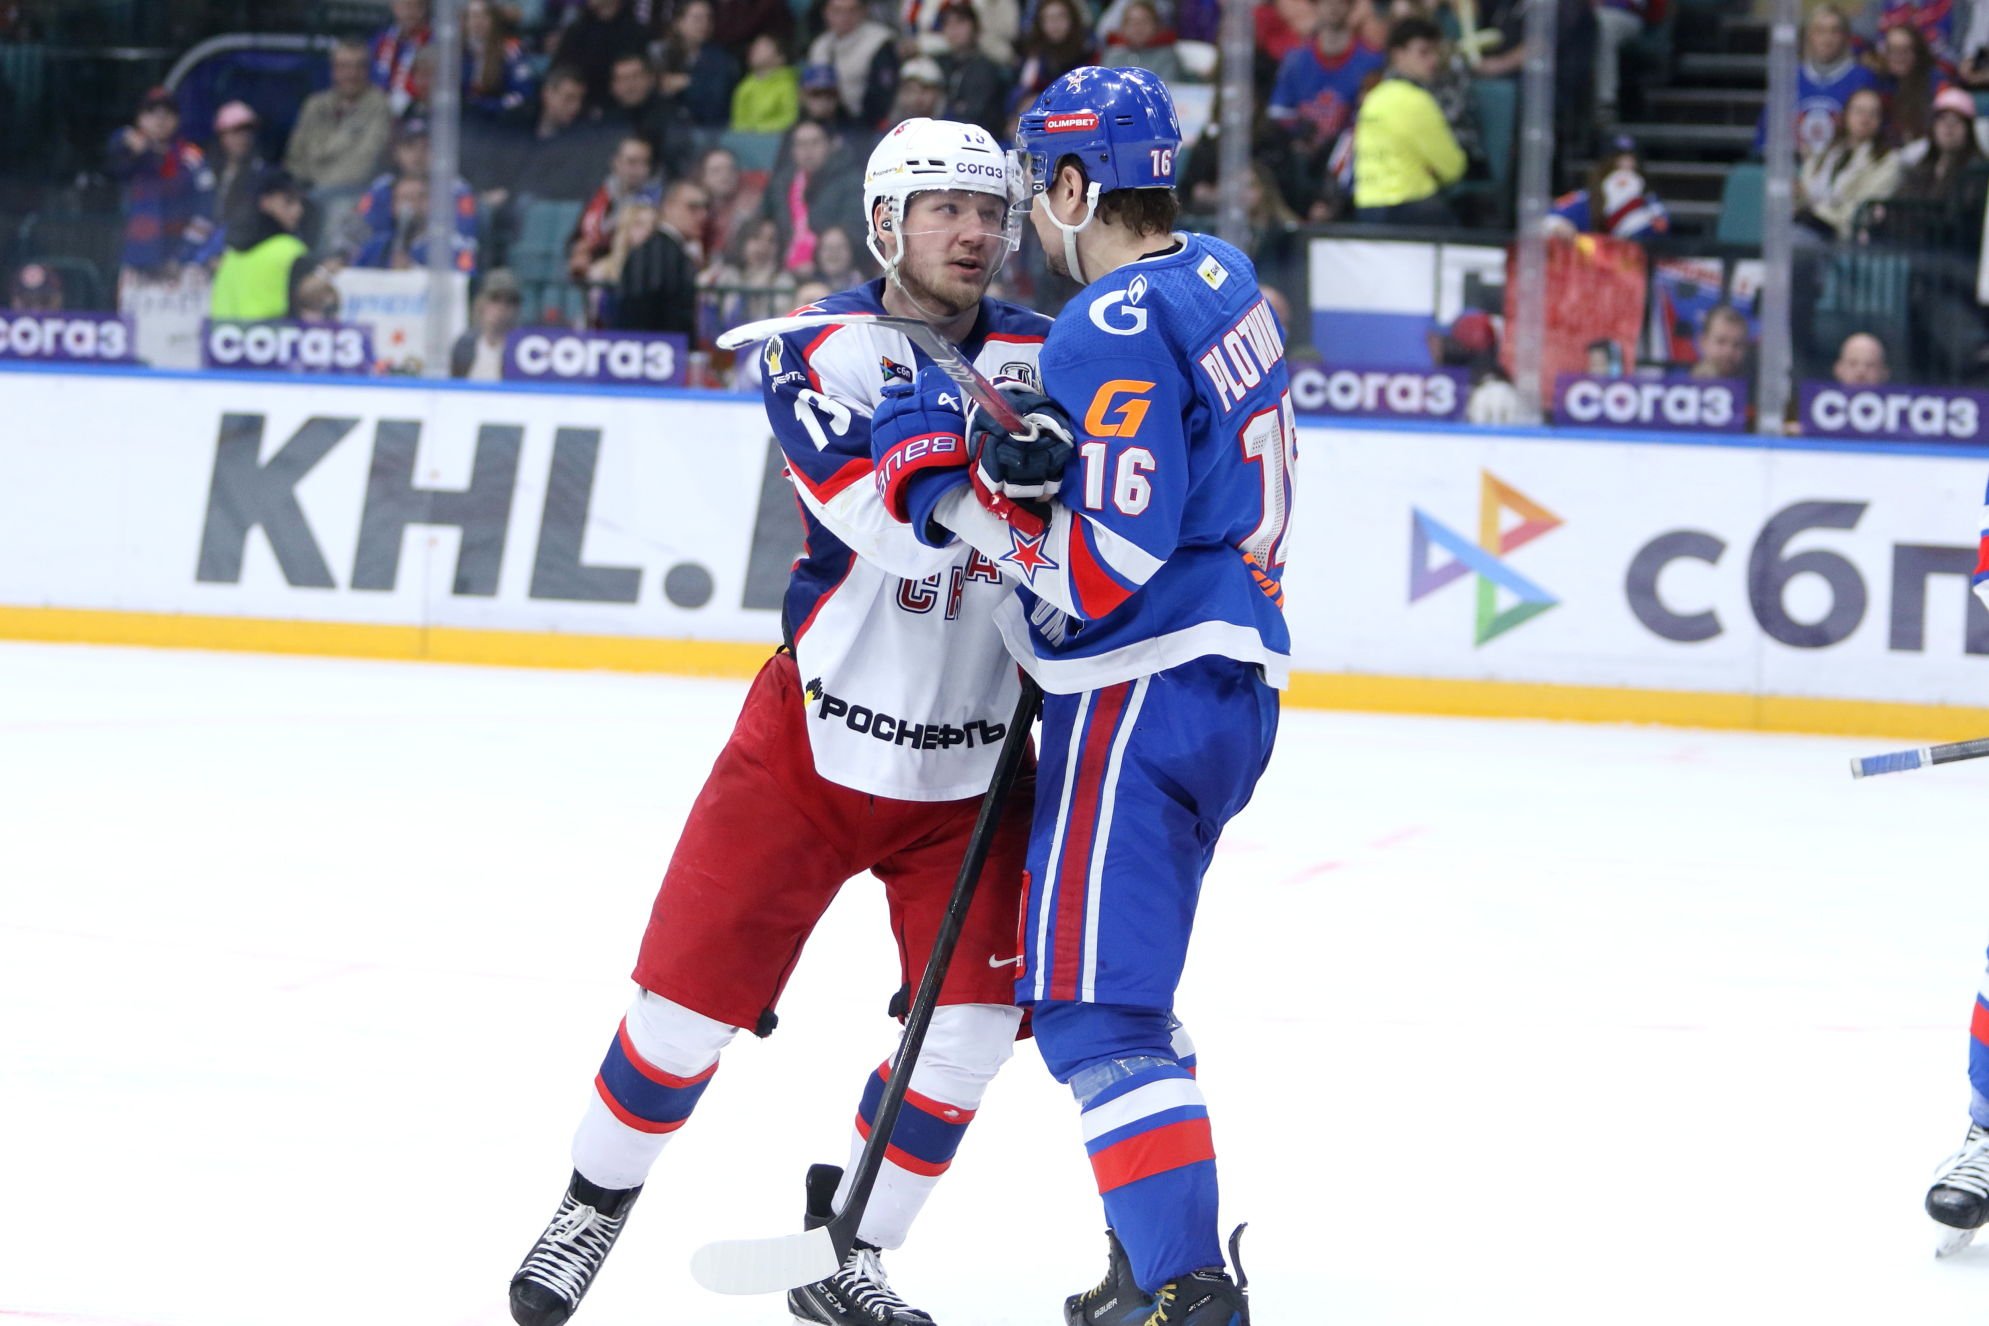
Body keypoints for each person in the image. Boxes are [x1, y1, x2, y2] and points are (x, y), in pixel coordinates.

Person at [506, 116, 1050, 1326]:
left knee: (971, 1033)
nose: (973, 232)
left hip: (976, 766)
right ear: (885, 223)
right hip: (812, 742)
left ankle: (846, 1248)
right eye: (944, 208)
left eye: (990, 211)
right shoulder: (815, 347)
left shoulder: (1056, 354)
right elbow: (885, 523)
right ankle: (591, 1207)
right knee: (680, 1011)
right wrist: (1011, 481)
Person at [868, 65, 1282, 1324]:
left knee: (1097, 1015)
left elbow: (1103, 571)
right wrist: (1057, 442)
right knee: (1127, 992)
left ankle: (1186, 1290)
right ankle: (1149, 1256)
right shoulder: (1221, 272)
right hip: (1232, 679)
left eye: (1032, 183)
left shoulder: (1107, 318)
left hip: (1138, 689)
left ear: (1069, 182)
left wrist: (965, 494)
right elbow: (1171, 452)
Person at [1351, 15, 1466, 224]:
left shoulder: (1373, 98)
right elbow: (1453, 168)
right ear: (1398, 54)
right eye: (1424, 52)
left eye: (1435, 52)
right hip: (1410, 207)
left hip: (1366, 207)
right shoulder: (1417, 101)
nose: (1433, 60)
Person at [106, 86, 215, 282]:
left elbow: (206, 210)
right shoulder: (131, 152)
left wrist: (184, 254)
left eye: (167, 113)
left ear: (177, 119)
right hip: (136, 261)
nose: (160, 119)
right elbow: (115, 152)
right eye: (152, 112)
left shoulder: (191, 157)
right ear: (140, 118)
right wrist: (130, 142)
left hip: (181, 266)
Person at [1754, 6, 1879, 158]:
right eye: (1820, 31)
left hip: (1845, 167)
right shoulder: (1790, 78)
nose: (1827, 39)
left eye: (1835, 31)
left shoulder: (1862, 78)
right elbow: (1766, 133)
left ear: (1846, 37)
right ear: (1809, 36)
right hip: (1794, 165)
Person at [286, 40, 396, 197]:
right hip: (307, 191)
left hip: (355, 193)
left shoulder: (380, 105)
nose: (352, 74)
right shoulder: (315, 104)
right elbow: (295, 157)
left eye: (359, 66)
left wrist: (319, 182)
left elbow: (365, 164)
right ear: (333, 70)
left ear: (368, 70)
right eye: (344, 66)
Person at [1794, 86, 1901, 241]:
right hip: (1807, 223)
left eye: (1873, 113)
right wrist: (1797, 194)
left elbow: (1865, 208)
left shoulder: (1888, 161)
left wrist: (1820, 212)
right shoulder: (1826, 152)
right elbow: (1805, 192)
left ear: (1881, 120)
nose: (1865, 119)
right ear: (1846, 115)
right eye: (1859, 111)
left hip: (1843, 234)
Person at [210, 168, 313, 322]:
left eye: (300, 202)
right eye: (289, 201)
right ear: (265, 202)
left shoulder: (231, 253)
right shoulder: (290, 250)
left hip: (223, 334)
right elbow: (307, 306)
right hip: (271, 333)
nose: (299, 210)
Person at [609, 177, 706, 332]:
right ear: (668, 207)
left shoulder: (669, 252)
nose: (702, 215)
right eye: (692, 207)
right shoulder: (656, 253)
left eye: (704, 208)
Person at [569, 135, 661, 280]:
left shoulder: (656, 203)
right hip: (594, 273)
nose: (638, 170)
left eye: (644, 163)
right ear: (616, 163)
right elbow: (577, 238)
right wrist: (580, 252)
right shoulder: (598, 196)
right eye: (632, 162)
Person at [1546, 134, 1669, 238]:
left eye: (1631, 161)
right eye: (1618, 161)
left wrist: (1631, 211)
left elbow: (1661, 229)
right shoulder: (1585, 198)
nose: (1625, 167)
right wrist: (1559, 225)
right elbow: (1553, 216)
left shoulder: (1649, 201)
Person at [807, 0, 900, 127]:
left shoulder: (880, 42)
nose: (844, 17)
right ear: (826, 12)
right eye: (837, 11)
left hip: (868, 123)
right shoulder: (820, 45)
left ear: (863, 11)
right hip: (827, 122)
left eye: (852, 11)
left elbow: (883, 95)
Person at [657, 0, 741, 128]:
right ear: (678, 23)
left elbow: (717, 100)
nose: (704, 24)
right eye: (697, 19)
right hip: (667, 126)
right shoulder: (661, 54)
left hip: (708, 129)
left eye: (709, 18)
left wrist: (688, 83)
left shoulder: (721, 59)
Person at [937, 2, 1010, 138]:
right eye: (947, 24)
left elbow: (975, 112)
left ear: (975, 27)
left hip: (980, 138)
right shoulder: (941, 63)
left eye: (960, 22)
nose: (953, 29)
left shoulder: (986, 67)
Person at [463, 0, 539, 119]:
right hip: (463, 121)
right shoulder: (457, 53)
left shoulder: (511, 52)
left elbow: (523, 94)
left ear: (495, 20)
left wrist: (486, 106)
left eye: (484, 15)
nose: (478, 21)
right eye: (473, 16)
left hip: (499, 121)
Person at [451, 268, 524, 378]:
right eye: (495, 299)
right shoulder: (464, 346)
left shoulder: (521, 352)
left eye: (510, 301)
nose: (502, 307)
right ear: (481, 303)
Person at [369, 0, 431, 117]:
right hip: (377, 110)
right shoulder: (379, 41)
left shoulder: (433, 42)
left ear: (425, 8)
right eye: (404, 5)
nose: (409, 12)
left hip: (417, 113)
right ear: (394, 7)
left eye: (416, 6)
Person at [731, 32, 801, 133]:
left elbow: (789, 120)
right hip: (747, 138)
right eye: (755, 45)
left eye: (764, 46)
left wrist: (758, 130)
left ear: (780, 58)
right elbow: (738, 122)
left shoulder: (789, 85)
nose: (755, 49)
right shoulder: (744, 86)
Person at [1101, 0, 1183, 83]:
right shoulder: (1112, 56)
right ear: (1123, 27)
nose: (1138, 28)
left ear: (1155, 25)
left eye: (1144, 21)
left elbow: (1168, 86)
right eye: (1132, 22)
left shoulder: (1167, 57)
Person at [1690, 304, 1751, 380]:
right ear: (1703, 342)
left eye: (1737, 344)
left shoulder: (1757, 384)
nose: (1728, 351)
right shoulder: (1678, 381)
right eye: (1721, 341)